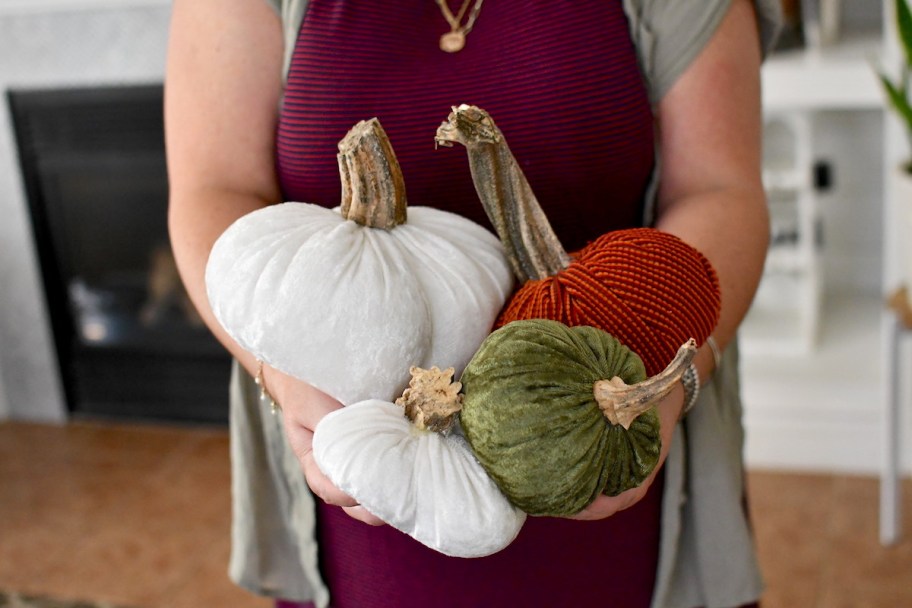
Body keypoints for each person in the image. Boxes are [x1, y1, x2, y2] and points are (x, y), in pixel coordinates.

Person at [165, 1, 781, 606]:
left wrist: (662, 390)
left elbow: (719, 188)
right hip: (359, 480)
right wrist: (283, 373)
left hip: (614, 420)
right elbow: (213, 189)